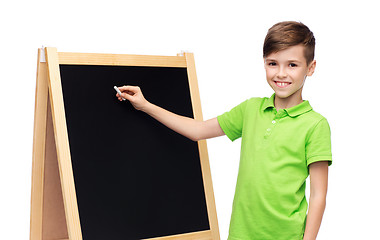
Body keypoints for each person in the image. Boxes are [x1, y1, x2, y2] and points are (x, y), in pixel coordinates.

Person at [116, 21, 332, 240]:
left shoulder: (315, 125)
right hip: (241, 235)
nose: (281, 73)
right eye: (273, 63)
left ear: (310, 67)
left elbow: (318, 196)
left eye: (292, 65)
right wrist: (145, 105)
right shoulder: (251, 109)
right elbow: (198, 130)